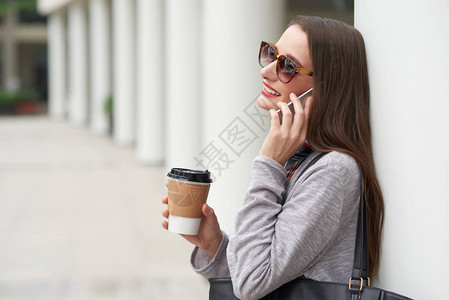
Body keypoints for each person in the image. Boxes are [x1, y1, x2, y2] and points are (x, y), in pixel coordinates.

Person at [161, 15, 384, 300]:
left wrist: (268, 162)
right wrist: (215, 245)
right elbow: (263, 274)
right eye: (271, 54)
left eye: (287, 66)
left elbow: (252, 283)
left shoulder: (334, 170)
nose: (267, 70)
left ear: (324, 88)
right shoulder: (300, 159)